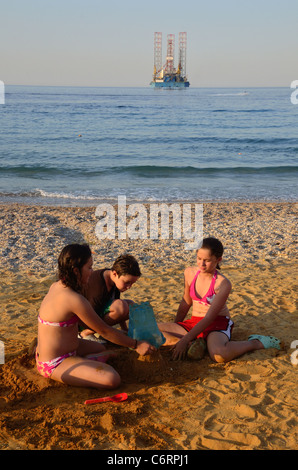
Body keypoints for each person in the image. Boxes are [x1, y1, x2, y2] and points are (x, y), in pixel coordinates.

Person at [36, 244, 155, 389]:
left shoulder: (57, 286)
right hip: (54, 362)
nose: (92, 272)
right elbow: (104, 330)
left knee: (100, 348)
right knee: (112, 378)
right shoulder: (73, 299)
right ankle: (82, 364)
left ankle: (84, 362)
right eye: (89, 267)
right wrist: (136, 344)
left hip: (68, 348)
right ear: (76, 271)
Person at [158, 237, 282, 362]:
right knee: (151, 330)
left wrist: (185, 339)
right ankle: (193, 344)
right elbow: (186, 302)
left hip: (216, 324)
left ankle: (255, 343)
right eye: (199, 258)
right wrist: (176, 326)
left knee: (219, 355)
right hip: (194, 322)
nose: (201, 264)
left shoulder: (223, 284)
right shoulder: (189, 273)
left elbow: (209, 318)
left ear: (218, 260)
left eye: (207, 260)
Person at [79, 254, 141, 340]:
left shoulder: (114, 279)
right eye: (127, 282)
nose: (129, 287)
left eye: (132, 284)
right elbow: (88, 314)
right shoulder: (98, 288)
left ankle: (101, 332)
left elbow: (119, 305)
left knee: (131, 305)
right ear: (115, 273)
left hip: (97, 315)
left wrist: (125, 330)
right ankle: (86, 333)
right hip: (83, 322)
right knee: (120, 306)